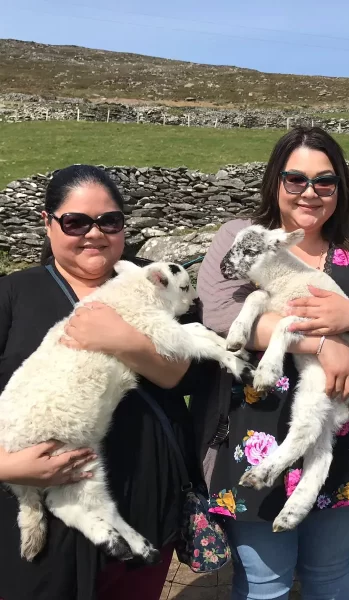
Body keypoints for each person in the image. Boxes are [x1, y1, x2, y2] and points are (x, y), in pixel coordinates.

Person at [195, 126, 349, 600]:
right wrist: (318, 343)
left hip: (339, 418)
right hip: (252, 428)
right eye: (296, 179)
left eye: (325, 181)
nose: (310, 192)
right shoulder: (242, 237)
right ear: (276, 180)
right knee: (264, 582)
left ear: (340, 187)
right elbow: (218, 313)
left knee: (330, 572)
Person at [0, 164, 200, 600]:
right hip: (46, 511)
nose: (94, 234)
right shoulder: (13, 296)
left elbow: (189, 373)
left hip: (146, 503)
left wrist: (122, 340)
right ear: (48, 223)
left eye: (109, 221)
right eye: (76, 221)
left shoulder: (156, 281)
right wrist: (9, 466)